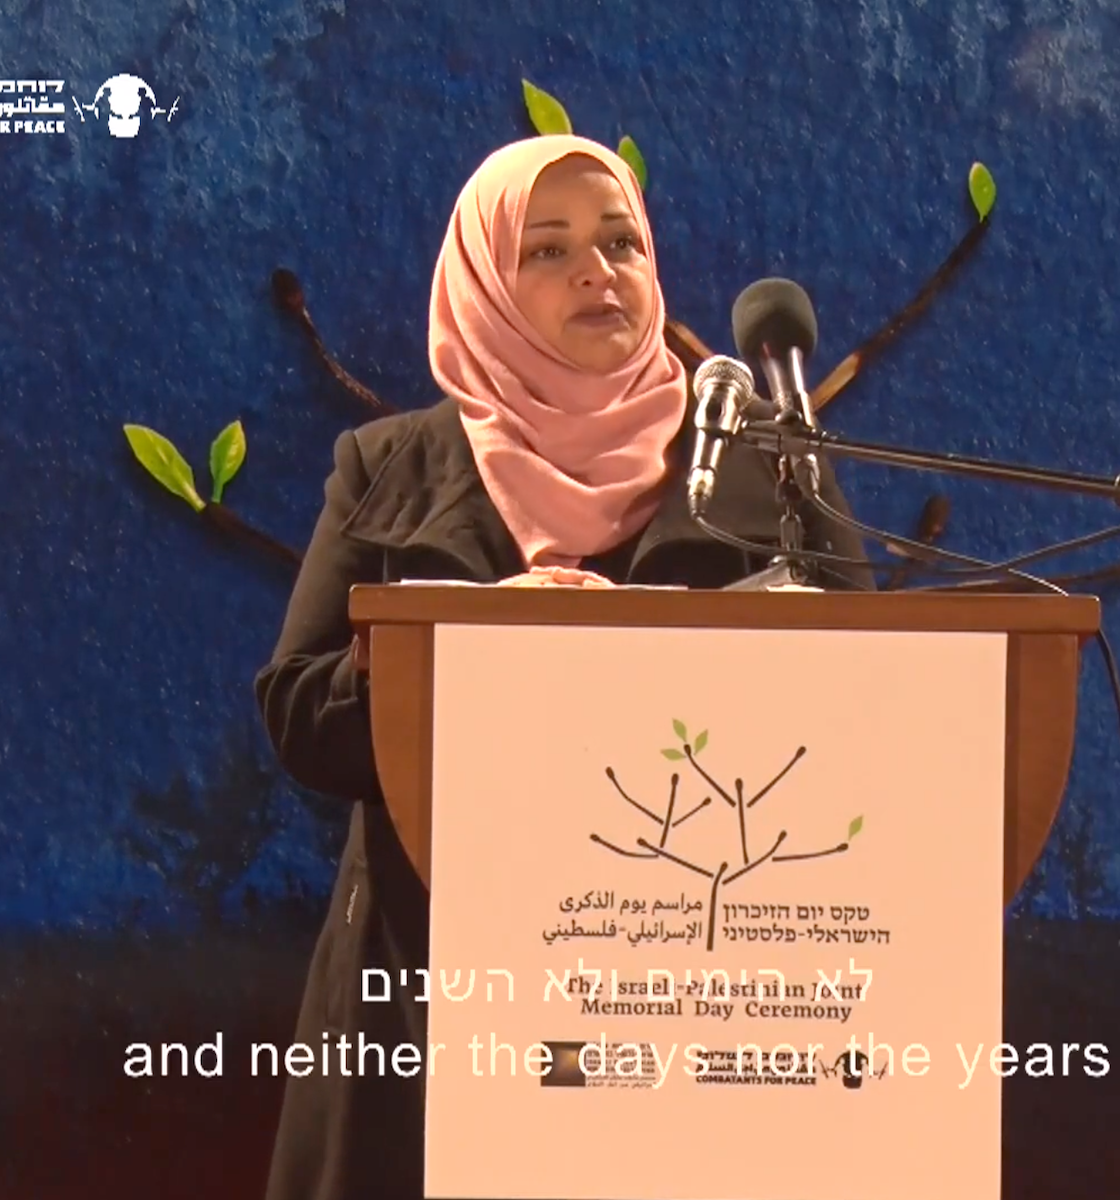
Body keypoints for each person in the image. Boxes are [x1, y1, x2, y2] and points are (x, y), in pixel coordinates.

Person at [254, 133, 874, 1200]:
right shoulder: (392, 463)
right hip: (434, 985)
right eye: (547, 251)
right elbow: (302, 712)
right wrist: (481, 645)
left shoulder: (764, 460)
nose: (598, 271)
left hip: (702, 990)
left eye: (620, 240)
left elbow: (876, 701)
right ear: (487, 285)